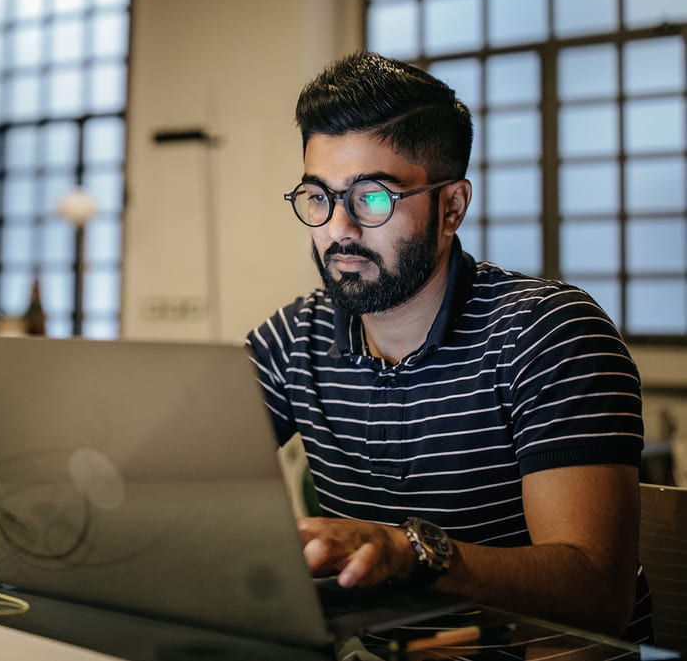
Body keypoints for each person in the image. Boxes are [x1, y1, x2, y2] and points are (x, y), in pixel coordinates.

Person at [246, 52, 650, 640]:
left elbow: (597, 592)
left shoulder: (549, 334)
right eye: (318, 197)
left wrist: (408, 551)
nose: (339, 229)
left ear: (452, 207)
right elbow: (168, 476)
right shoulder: (295, 339)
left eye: (373, 198)